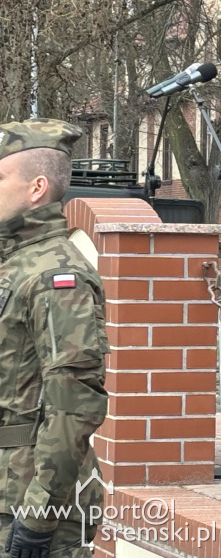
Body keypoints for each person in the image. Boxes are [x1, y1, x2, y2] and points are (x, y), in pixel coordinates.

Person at [0, 119, 109, 557]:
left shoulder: (56, 276)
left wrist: (38, 517)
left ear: (37, 188)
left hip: (29, 499)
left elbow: (74, 404)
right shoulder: (15, 263)